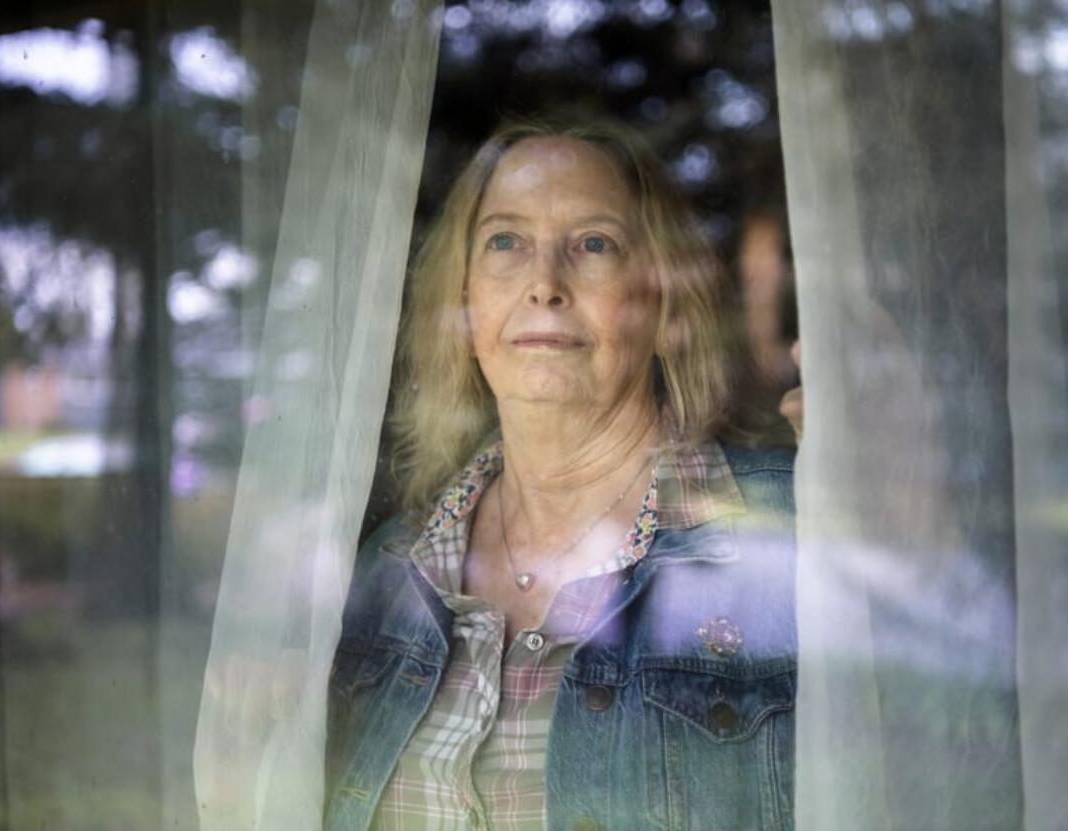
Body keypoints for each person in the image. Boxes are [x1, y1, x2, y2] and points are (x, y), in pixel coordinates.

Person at [324, 118, 797, 831]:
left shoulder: (792, 528)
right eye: (506, 242)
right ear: (465, 303)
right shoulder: (385, 571)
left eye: (594, 244)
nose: (544, 283)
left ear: (666, 307)